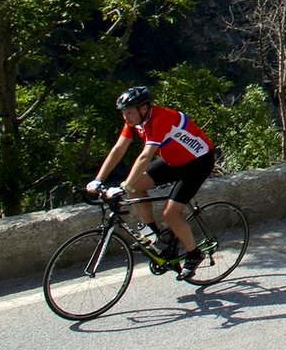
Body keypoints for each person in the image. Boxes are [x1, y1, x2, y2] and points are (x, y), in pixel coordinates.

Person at [86, 85, 217, 280]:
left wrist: (125, 185)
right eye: (124, 113)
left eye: (129, 112)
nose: (126, 117)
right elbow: (118, 149)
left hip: (198, 162)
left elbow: (145, 156)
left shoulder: (162, 118)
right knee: (135, 188)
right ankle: (155, 234)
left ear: (144, 108)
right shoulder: (135, 121)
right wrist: (98, 180)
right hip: (174, 160)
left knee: (170, 213)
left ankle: (194, 253)